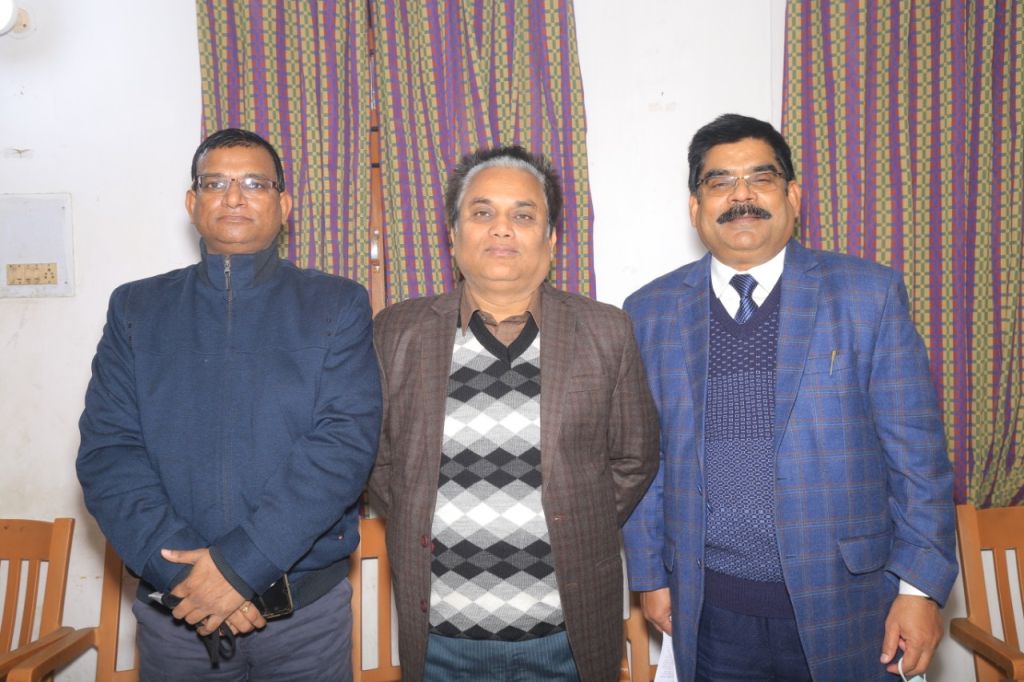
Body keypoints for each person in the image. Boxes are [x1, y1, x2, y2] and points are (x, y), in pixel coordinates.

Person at [622, 114, 957, 682]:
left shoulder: (868, 295)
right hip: (709, 612)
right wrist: (651, 574)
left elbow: (918, 461)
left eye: (761, 178)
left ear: (793, 196)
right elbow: (644, 460)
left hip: (851, 606)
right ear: (695, 207)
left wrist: (919, 589)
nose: (742, 196)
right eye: (720, 182)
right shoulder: (649, 312)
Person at [77, 128, 381, 680]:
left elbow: (342, 447)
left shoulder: (336, 303)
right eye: (215, 183)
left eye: (254, 184)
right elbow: (109, 454)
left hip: (304, 618)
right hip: (177, 613)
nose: (234, 197)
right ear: (192, 203)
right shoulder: (136, 309)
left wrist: (240, 567)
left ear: (284, 205)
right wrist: (193, 581)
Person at [369, 145, 660, 681]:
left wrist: (573, 515)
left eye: (523, 216)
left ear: (551, 239)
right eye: (482, 212)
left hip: (566, 637)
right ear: (452, 235)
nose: (501, 229)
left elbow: (634, 458)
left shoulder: (606, 331)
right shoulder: (396, 332)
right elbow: (382, 467)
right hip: (440, 641)